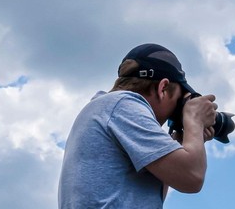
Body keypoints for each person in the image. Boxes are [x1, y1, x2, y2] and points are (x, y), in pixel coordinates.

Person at [58, 43, 218, 208]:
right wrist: (194, 122)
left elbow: (159, 191)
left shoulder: (106, 109)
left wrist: (181, 143)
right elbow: (191, 177)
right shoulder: (123, 104)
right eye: (178, 100)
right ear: (162, 88)